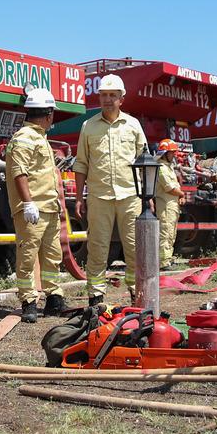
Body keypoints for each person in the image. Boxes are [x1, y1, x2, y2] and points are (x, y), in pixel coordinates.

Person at [73, 73, 149, 304]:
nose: (107, 99)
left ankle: (138, 293)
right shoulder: (88, 126)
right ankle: (96, 297)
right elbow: (81, 163)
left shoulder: (133, 125)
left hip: (130, 196)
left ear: (121, 99)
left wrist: (148, 197)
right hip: (99, 196)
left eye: (112, 95)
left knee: (135, 247)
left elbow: (145, 161)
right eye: (104, 95)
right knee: (97, 248)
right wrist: (78, 197)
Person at [4, 88, 66, 322]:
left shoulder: (39, 137)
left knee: (52, 256)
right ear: (49, 114)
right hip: (33, 209)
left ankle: (53, 297)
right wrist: (28, 203)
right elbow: (19, 172)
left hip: (48, 207)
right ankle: (28, 300)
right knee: (28, 256)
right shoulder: (24, 138)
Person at [154, 139, 185, 269]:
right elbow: (169, 188)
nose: (174, 155)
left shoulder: (168, 167)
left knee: (171, 233)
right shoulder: (161, 167)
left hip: (172, 205)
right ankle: (163, 262)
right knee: (165, 233)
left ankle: (167, 259)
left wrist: (179, 196)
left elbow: (175, 186)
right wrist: (182, 194)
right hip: (166, 206)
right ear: (165, 153)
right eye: (172, 153)